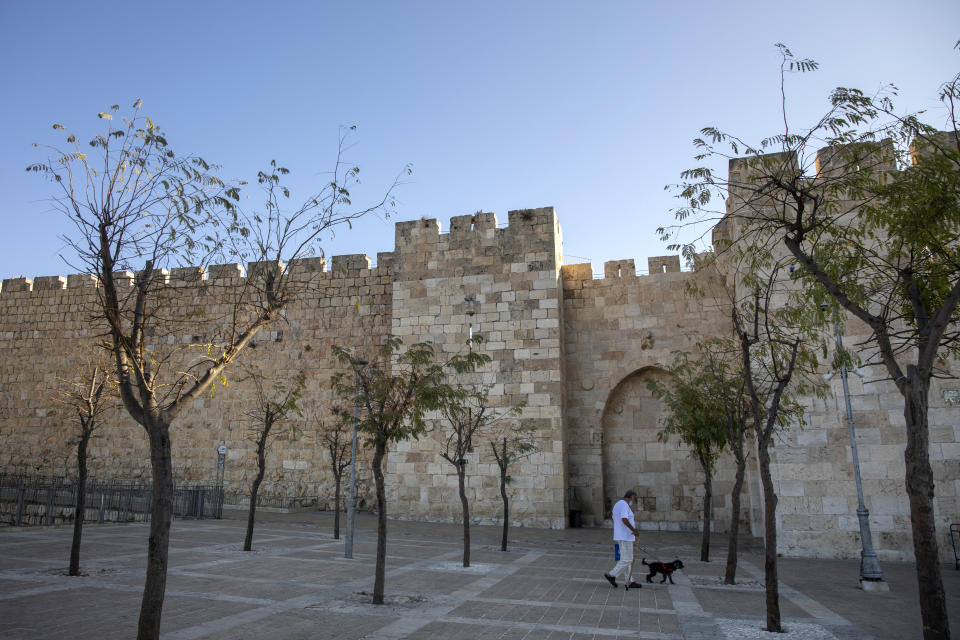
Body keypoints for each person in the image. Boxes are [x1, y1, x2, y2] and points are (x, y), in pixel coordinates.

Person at [603, 489, 643, 590]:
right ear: (631, 497)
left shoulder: (618, 505)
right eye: (633, 499)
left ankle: (629, 581)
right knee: (627, 559)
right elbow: (624, 519)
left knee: (626, 559)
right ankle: (612, 575)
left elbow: (615, 518)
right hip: (625, 536)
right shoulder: (624, 505)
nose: (633, 502)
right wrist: (633, 530)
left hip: (622, 536)